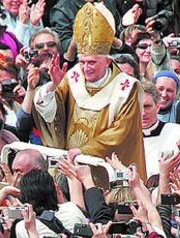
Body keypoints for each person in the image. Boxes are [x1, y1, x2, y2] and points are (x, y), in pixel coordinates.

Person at [30, 2, 147, 183]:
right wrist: (54, 85)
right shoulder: (73, 76)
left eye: (91, 62)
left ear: (107, 62)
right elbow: (49, 113)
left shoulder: (126, 87)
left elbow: (122, 131)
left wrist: (85, 150)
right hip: (72, 167)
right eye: (82, 62)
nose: (85, 68)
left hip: (106, 172)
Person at [141, 81, 180, 178]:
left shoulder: (179, 134)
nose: (143, 113)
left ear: (158, 107)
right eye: (138, 107)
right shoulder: (124, 139)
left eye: (147, 107)